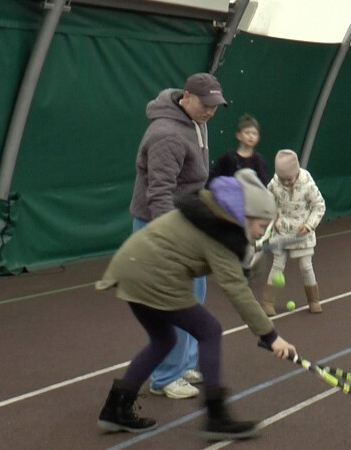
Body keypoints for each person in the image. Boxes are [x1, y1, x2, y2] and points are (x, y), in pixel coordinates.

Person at [96, 169, 297, 440]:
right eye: (262, 225)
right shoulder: (220, 232)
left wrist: (245, 262)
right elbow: (236, 289)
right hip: (155, 276)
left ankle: (114, 410)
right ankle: (216, 417)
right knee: (209, 330)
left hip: (129, 269)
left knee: (163, 340)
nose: (263, 232)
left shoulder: (209, 212)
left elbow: (227, 267)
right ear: (245, 215)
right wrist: (271, 336)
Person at [128, 72, 228, 399]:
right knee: (174, 301)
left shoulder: (197, 121)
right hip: (161, 226)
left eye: (215, 106)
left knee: (194, 297)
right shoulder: (167, 135)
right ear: (186, 96)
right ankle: (165, 378)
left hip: (188, 221)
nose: (210, 111)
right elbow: (159, 194)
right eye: (205, 104)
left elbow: (195, 178)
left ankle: (184, 363)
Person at [263, 150, 326, 315]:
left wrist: (309, 225)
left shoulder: (307, 184)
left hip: (302, 234)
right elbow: (266, 200)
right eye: (282, 179)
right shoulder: (275, 183)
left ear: (297, 172)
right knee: (277, 266)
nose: (286, 183)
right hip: (281, 232)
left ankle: (314, 300)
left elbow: (319, 206)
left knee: (306, 267)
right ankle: (268, 303)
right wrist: (273, 214)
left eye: (289, 179)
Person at [210, 114, 268, 183]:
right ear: (238, 135)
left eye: (254, 133)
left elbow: (263, 184)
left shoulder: (259, 160)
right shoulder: (229, 157)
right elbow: (213, 176)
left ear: (258, 137)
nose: (251, 136)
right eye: (247, 133)